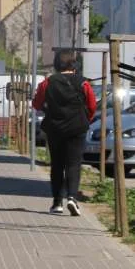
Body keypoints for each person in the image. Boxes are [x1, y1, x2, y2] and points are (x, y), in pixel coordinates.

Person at [32, 50, 96, 216]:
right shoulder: (84, 84)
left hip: (55, 129)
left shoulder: (47, 82)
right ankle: (72, 198)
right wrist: (84, 119)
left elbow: (37, 104)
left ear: (56, 63)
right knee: (74, 163)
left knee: (57, 164)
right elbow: (92, 106)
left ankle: (57, 202)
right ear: (73, 64)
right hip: (77, 128)